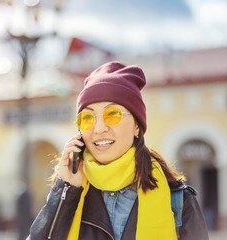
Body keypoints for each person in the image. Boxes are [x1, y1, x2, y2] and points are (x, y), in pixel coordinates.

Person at [28, 62, 209, 240]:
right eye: (87, 118)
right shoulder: (69, 192)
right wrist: (65, 191)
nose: (99, 129)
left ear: (137, 126)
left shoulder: (178, 201)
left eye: (112, 114)